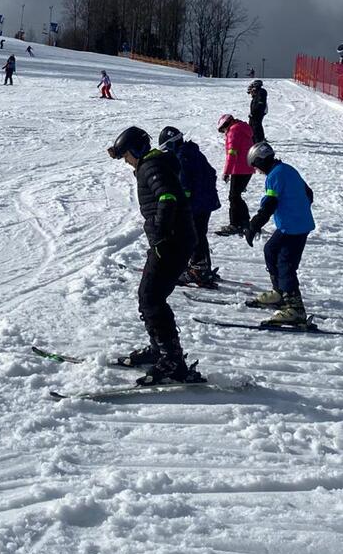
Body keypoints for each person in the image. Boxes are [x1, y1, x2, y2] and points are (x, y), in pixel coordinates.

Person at [107, 127, 204, 385]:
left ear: (136, 150)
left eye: (126, 155)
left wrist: (162, 233)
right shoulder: (152, 164)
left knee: (150, 297)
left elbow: (167, 197)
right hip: (174, 240)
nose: (126, 161)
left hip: (172, 242)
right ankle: (161, 350)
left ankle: (172, 360)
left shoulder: (152, 167)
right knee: (150, 296)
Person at [243, 141, 315, 326]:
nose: (257, 171)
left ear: (260, 161)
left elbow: (269, 204)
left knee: (285, 264)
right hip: (293, 224)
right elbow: (309, 193)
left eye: (255, 166)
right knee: (271, 250)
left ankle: (295, 309)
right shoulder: (287, 169)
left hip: (294, 227)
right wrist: (297, 208)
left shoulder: (275, 175)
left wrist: (253, 225)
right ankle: (279, 292)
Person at [158, 126, 221, 287]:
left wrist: (179, 204)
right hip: (205, 203)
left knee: (192, 236)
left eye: (166, 149)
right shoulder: (194, 152)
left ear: (171, 145)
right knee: (199, 234)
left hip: (196, 205)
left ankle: (198, 269)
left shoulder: (182, 158)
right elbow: (211, 173)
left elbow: (184, 186)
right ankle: (203, 267)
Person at [216, 113, 255, 235]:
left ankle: (235, 224)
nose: (224, 133)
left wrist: (227, 172)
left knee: (233, 197)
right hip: (248, 167)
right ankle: (244, 221)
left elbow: (232, 153)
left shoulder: (233, 131)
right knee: (236, 196)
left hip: (239, 168)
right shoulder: (242, 127)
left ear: (226, 125)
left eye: (223, 130)